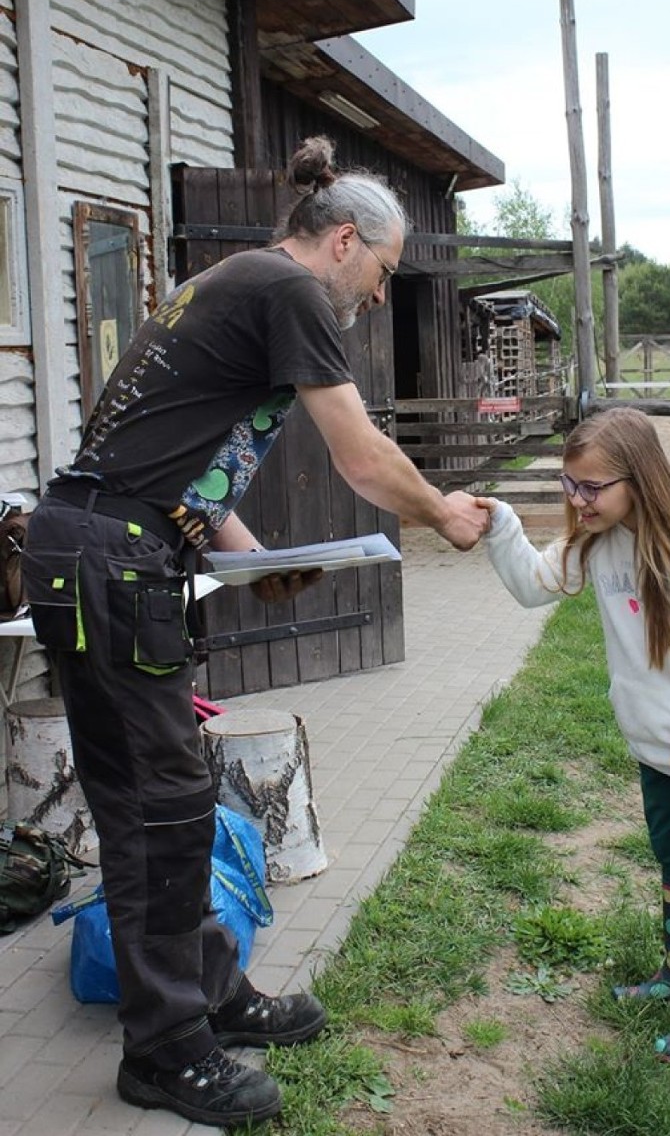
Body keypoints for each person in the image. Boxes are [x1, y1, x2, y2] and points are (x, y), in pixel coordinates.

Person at [21, 135, 488, 1128]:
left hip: (95, 547)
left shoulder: (230, 282)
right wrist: (441, 510)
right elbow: (361, 459)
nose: (374, 299)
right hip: (112, 561)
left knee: (166, 795)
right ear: (344, 243)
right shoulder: (289, 293)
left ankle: (211, 996)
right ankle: (164, 1051)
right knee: (162, 808)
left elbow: (180, 449)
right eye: (382, 275)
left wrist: (251, 553)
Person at [476, 406, 670, 1063]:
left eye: (591, 487)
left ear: (639, 479)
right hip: (657, 748)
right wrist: (502, 525)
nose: (577, 501)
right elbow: (531, 586)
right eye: (568, 486)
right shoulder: (598, 539)